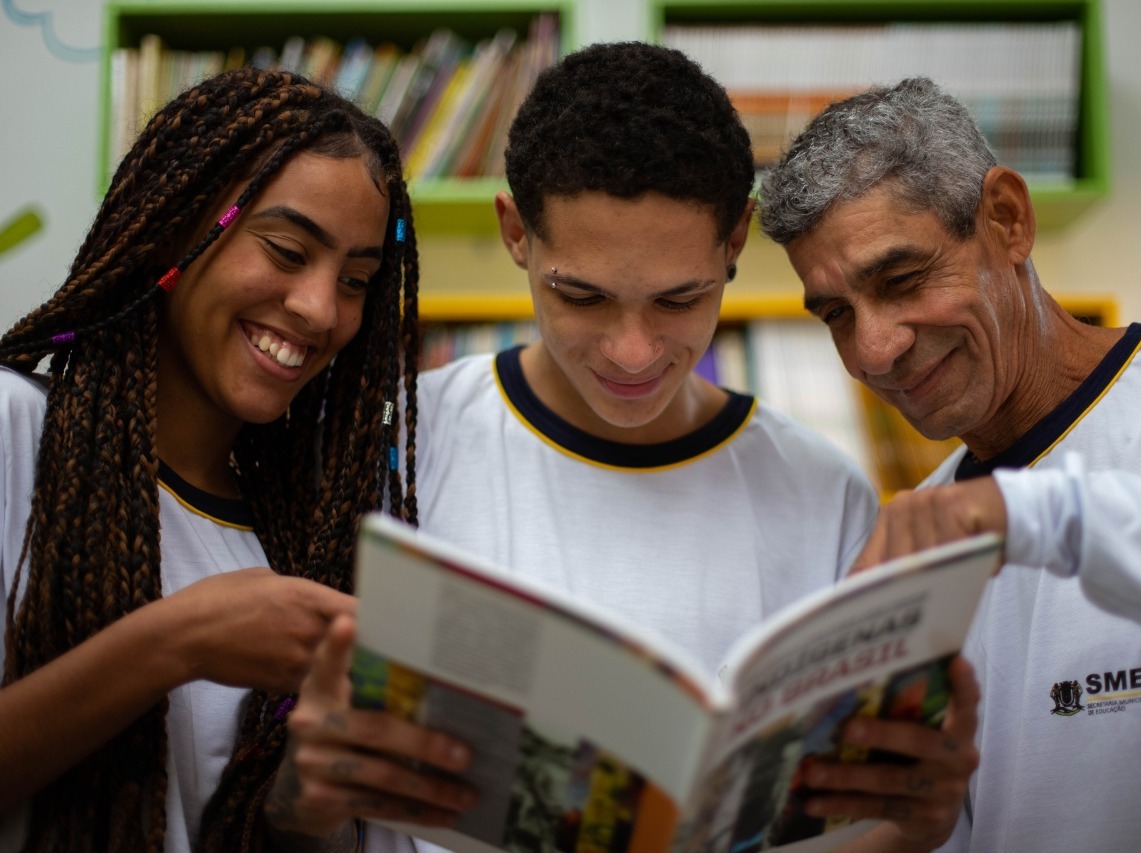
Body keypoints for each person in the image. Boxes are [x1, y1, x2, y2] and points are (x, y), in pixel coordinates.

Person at [399, 42, 977, 851]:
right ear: (515, 234)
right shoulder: (405, 448)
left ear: (737, 238)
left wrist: (914, 819)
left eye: (680, 298)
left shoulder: (822, 495)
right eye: (582, 295)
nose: (633, 351)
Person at [758, 76, 1141, 851]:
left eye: (900, 280)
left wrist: (1031, 515)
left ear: (1007, 220)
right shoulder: (920, 547)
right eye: (837, 314)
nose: (873, 350)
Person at [0, 67, 472, 853]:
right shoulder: (17, 431)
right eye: (288, 250)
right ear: (176, 231)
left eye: (355, 281)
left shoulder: (305, 532)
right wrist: (171, 642)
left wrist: (305, 801)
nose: (320, 309)